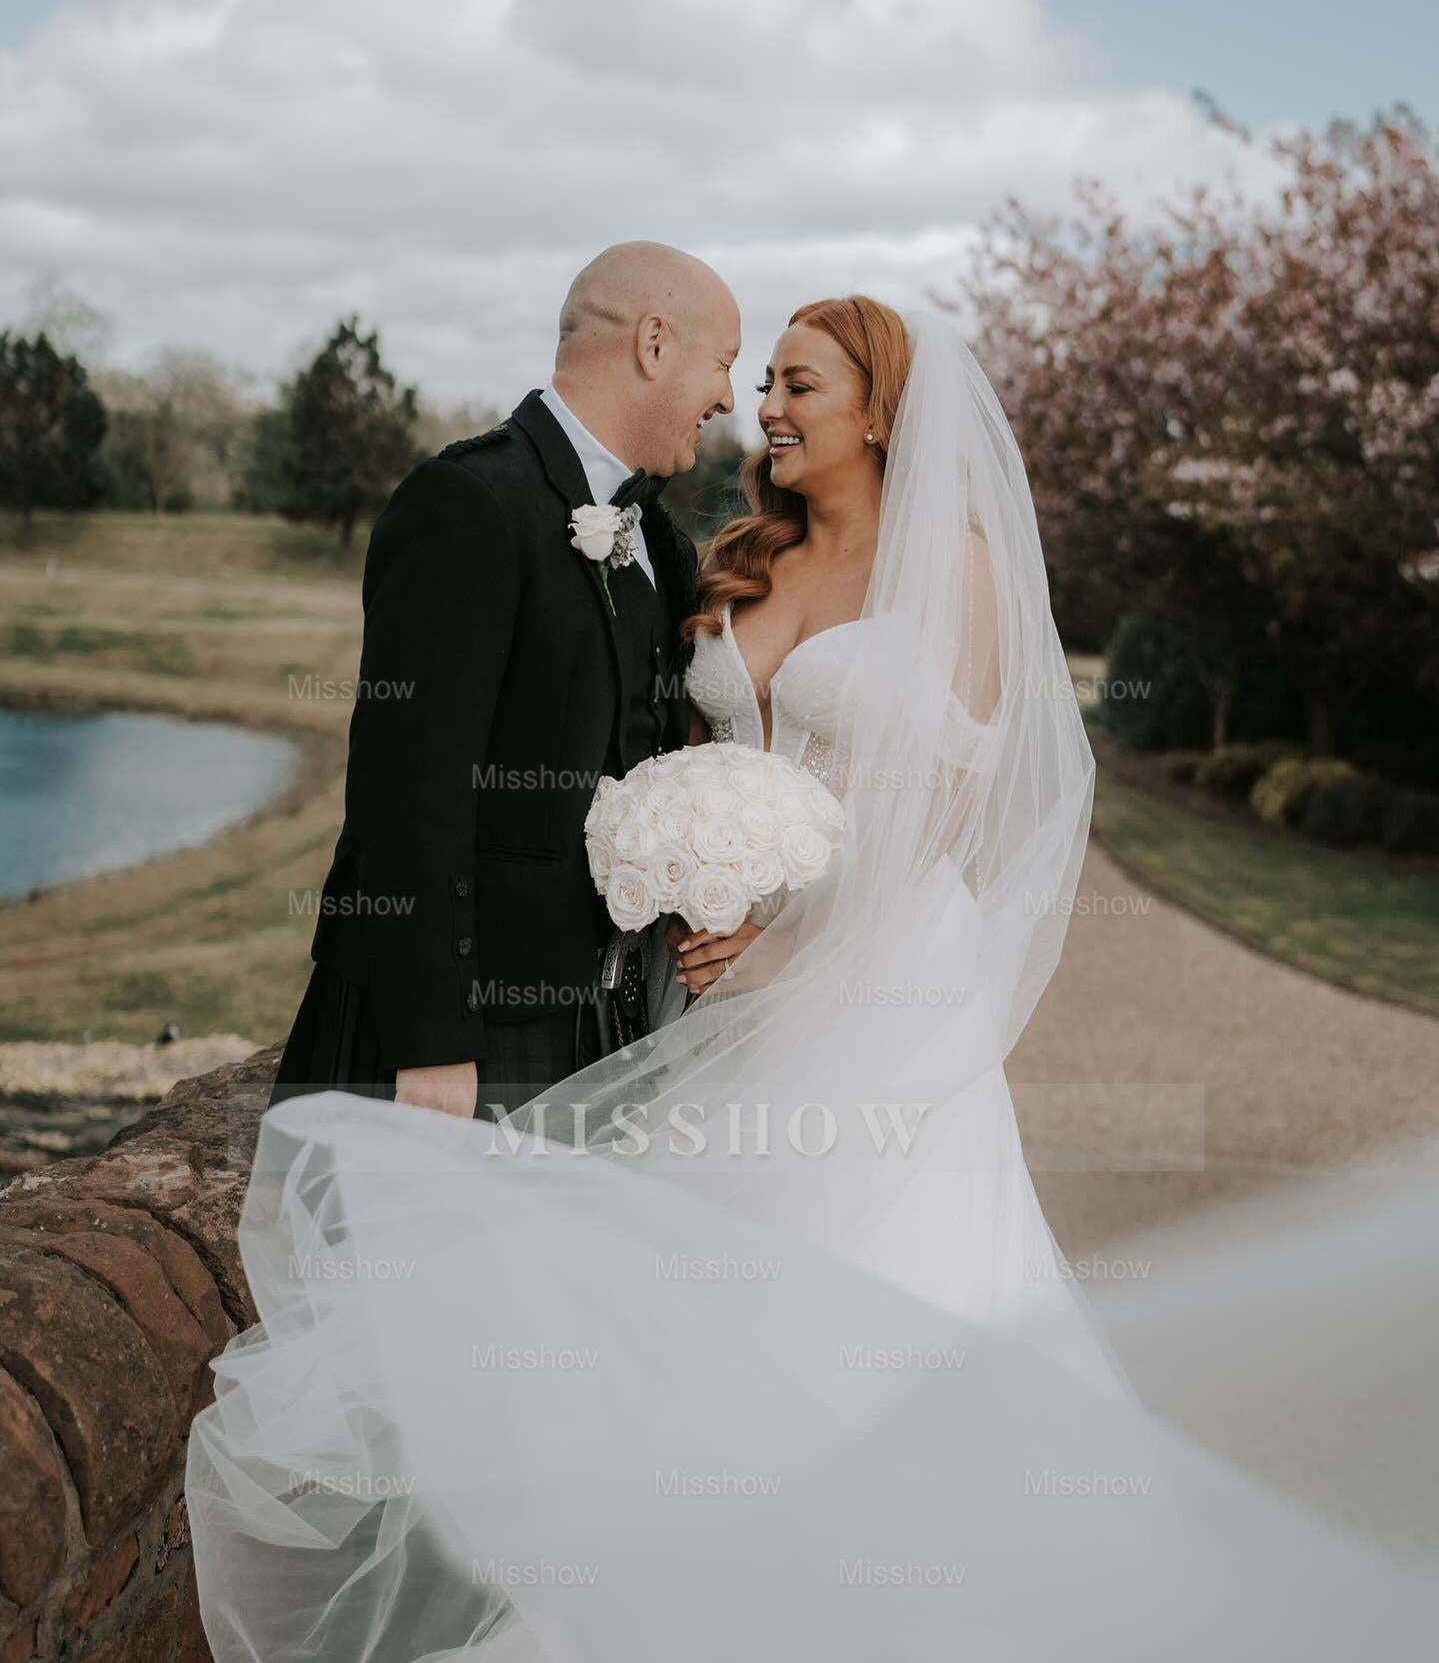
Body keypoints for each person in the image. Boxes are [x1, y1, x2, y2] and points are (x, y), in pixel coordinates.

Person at [189, 299, 1437, 1660]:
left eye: (797, 382)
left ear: (880, 409)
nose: (765, 405)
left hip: (879, 977)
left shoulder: (951, 565)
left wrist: (795, 938)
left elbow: (952, 809)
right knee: (683, 1274)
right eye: (761, 381)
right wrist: (680, 879)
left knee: (845, 1261)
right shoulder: (722, 558)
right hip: (709, 983)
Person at [268, 240, 741, 1118]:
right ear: (652, 343)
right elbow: (407, 790)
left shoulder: (662, 544)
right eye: (722, 364)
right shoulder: (467, 502)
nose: (724, 396)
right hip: (463, 1034)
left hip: (595, 1023)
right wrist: (432, 1044)